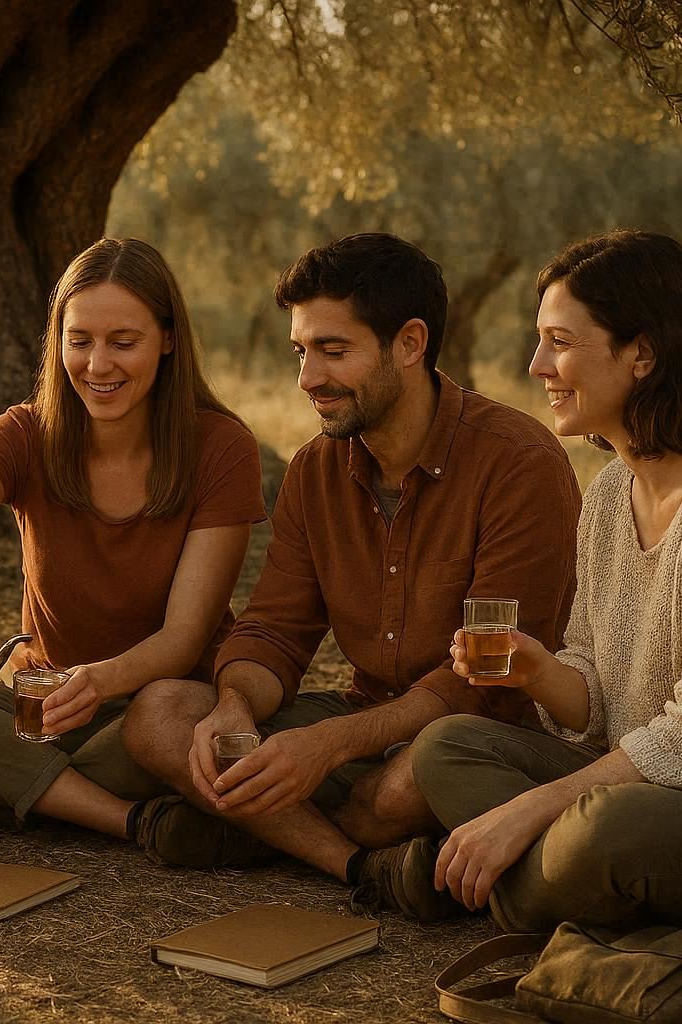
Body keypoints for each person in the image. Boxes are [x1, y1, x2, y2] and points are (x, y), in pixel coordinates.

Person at [372, 230, 682, 942]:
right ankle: (545, 884)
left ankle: (470, 877)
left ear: (640, 353)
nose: (536, 365)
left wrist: (532, 809)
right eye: (539, 340)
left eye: (559, 341)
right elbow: (595, 687)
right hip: (649, 788)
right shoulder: (615, 490)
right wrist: (538, 670)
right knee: (448, 744)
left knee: (609, 829)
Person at [123, 234, 580, 906]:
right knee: (162, 713)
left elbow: (483, 684)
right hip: (367, 725)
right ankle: (359, 866)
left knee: (413, 776)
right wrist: (234, 705)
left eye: (334, 352)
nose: (308, 378)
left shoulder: (519, 464)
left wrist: (327, 747)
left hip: (474, 741)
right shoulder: (314, 470)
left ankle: (259, 830)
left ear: (410, 344)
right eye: (301, 352)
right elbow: (275, 630)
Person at [0, 237, 265, 843]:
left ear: (168, 338)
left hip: (151, 710)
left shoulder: (221, 449)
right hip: (43, 711)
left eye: (123, 342)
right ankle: (121, 817)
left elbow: (183, 638)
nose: (97, 365)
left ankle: (11, 789)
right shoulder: (23, 433)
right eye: (79, 340)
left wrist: (97, 682)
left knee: (154, 727)